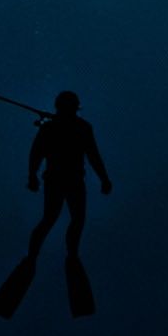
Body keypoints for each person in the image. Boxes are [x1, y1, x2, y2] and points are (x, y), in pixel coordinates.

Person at [25, 91, 111, 259]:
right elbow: (93, 156)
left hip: (61, 180)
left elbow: (36, 153)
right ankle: (68, 255)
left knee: (57, 219)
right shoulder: (81, 128)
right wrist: (104, 179)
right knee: (69, 219)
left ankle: (38, 256)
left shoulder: (51, 127)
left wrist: (32, 175)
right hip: (70, 180)